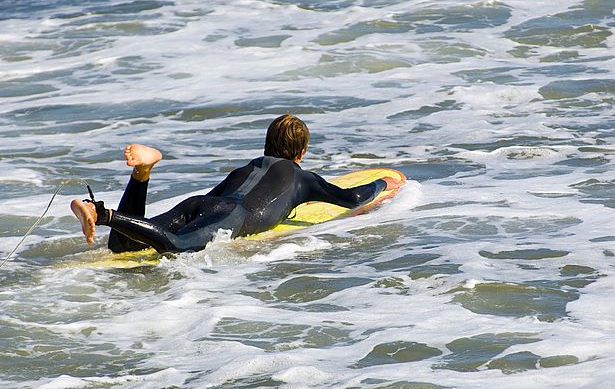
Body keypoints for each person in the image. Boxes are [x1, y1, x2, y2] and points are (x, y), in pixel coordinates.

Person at [70, 114, 397, 254]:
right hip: (234, 216)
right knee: (175, 246)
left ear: (267, 144)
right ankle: (102, 214)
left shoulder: (248, 166)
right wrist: (384, 184)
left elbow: (212, 202)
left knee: (122, 246)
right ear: (302, 151)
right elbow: (352, 198)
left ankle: (141, 173)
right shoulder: (302, 178)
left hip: (201, 203)